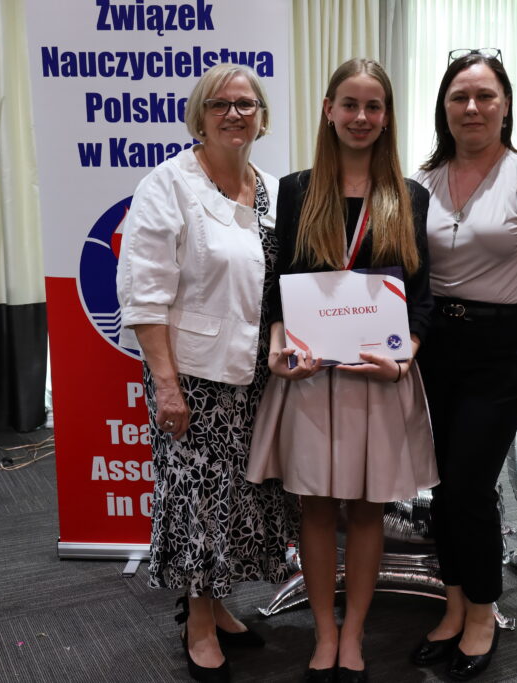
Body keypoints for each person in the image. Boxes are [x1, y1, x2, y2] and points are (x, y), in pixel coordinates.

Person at [246, 58, 436, 683]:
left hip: (379, 378)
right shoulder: (297, 191)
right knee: (317, 508)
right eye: (349, 104)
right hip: (311, 376)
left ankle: (353, 632)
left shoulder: (409, 197)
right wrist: (278, 344)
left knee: (367, 509)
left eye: (373, 106)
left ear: (387, 116)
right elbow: (279, 285)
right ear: (328, 110)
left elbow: (422, 296)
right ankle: (323, 631)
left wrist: (405, 355)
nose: (361, 117)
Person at [115, 63, 297, 683]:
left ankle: (219, 608)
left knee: (241, 496)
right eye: (220, 104)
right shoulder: (167, 185)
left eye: (246, 104)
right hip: (191, 376)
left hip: (258, 374)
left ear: (262, 117)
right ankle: (197, 623)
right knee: (197, 499)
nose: (234, 114)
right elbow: (143, 295)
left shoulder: (274, 190)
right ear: (199, 115)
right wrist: (166, 386)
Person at [410, 49, 517, 681]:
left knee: (470, 484)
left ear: (505, 106)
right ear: (444, 108)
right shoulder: (423, 180)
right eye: (460, 96)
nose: (472, 107)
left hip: (502, 347)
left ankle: (482, 611)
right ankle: (453, 603)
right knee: (441, 483)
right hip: (434, 346)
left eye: (485, 96)